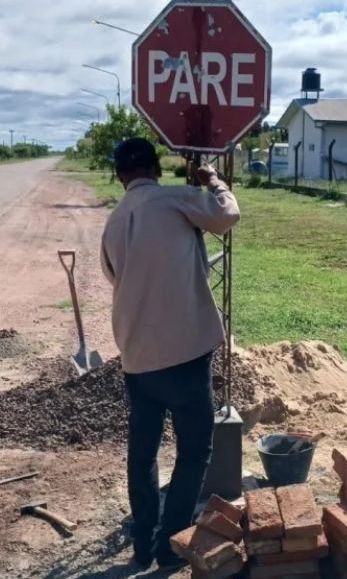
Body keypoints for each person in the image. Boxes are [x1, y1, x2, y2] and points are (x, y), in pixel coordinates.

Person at [100, 138, 240, 569]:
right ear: (155, 169)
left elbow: (112, 275)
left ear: (120, 175)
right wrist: (213, 180)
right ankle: (171, 542)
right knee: (194, 449)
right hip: (183, 351)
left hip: (136, 355)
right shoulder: (174, 199)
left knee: (142, 452)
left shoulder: (115, 219)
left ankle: (144, 542)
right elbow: (226, 216)